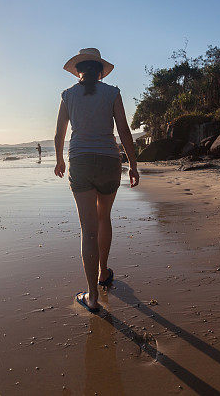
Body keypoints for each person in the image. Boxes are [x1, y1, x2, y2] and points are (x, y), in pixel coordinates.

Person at [54, 48, 139, 313]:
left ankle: (92, 296)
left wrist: (59, 160)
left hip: (80, 162)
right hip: (108, 162)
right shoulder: (112, 92)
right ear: (100, 71)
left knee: (88, 229)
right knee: (104, 218)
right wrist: (134, 164)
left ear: (78, 70)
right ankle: (103, 273)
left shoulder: (68, 95)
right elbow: (124, 130)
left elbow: (59, 134)